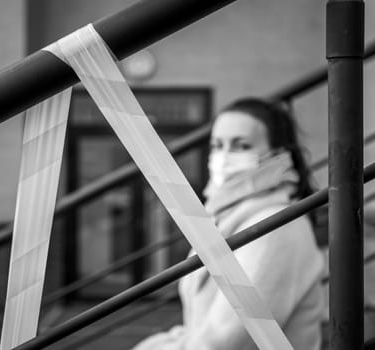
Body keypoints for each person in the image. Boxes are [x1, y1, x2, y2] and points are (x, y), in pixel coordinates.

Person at [132, 97, 325, 350]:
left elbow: (224, 341)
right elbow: (202, 329)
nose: (223, 157)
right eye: (217, 145)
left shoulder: (275, 228)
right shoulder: (229, 216)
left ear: (277, 155)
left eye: (241, 145)